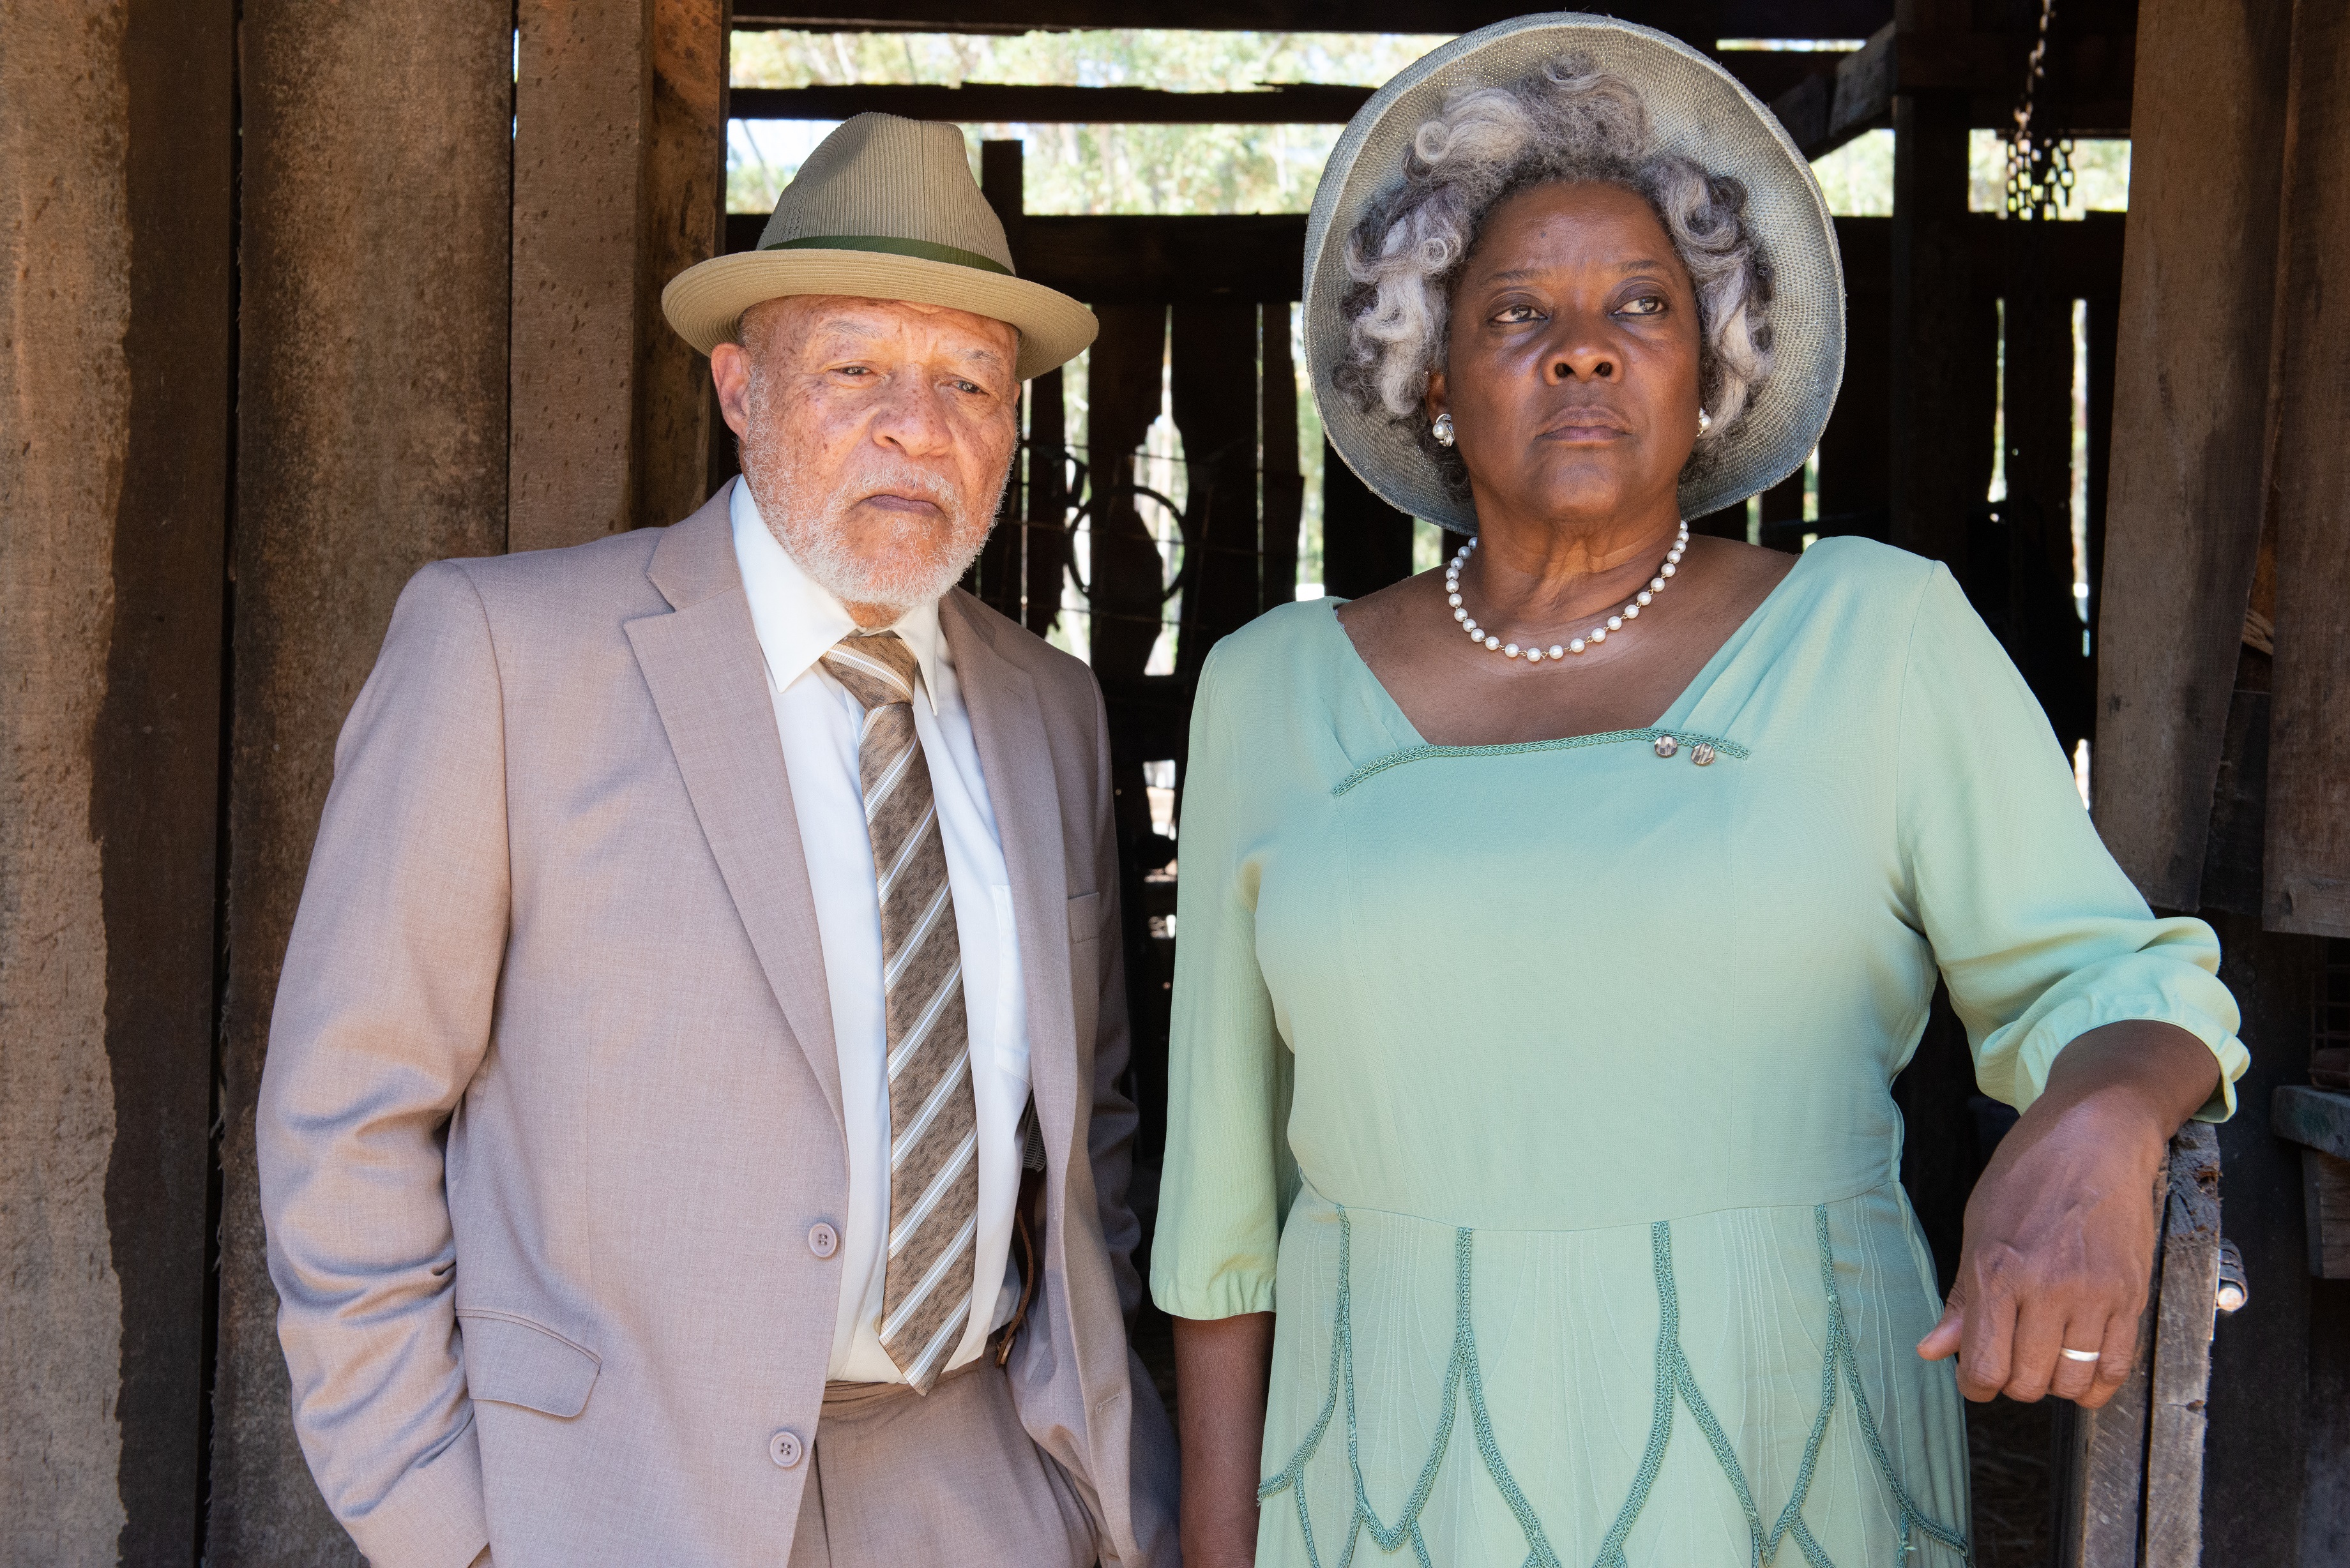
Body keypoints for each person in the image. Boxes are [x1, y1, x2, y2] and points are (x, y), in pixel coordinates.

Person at [1151, 19, 2247, 1567]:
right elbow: (1217, 1219)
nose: (1580, 347)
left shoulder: (1875, 635)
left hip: (1782, 1440)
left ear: (1714, 360)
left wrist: (2102, 1116)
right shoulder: (1268, 689)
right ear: (1430, 371)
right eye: (1515, 311)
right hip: (1388, 1460)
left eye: (1641, 307)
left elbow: (2108, 978)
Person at [259, 113, 1176, 1568]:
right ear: (741, 389)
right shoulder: (507, 653)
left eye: (966, 382)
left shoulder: (1050, 710)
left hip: (981, 1483)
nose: (913, 427)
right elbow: (345, 1116)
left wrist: (1083, 1497)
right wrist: (447, 1533)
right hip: (610, 1505)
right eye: (856, 369)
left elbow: (1090, 1122)